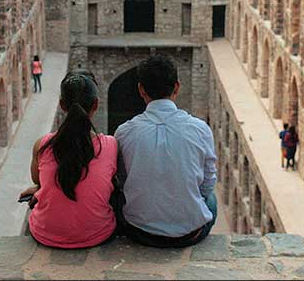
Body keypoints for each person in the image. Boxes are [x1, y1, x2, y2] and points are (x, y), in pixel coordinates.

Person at [114, 55, 217, 248]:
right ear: (177, 87)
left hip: (138, 231)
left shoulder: (125, 132)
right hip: (190, 234)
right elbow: (208, 183)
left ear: (141, 89)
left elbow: (121, 180)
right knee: (210, 200)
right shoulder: (200, 129)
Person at [19, 70, 118, 248]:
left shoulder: (43, 145)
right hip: (97, 234)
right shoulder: (109, 145)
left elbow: (38, 179)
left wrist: (41, 189)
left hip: (46, 234)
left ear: (62, 105)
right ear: (96, 104)